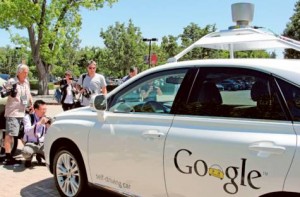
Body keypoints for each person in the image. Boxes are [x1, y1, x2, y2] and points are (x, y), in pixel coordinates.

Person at [2, 64, 33, 165]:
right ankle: (8, 157)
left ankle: (29, 154)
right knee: (10, 134)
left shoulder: (26, 82)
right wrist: (9, 91)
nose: (26, 74)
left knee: (23, 134)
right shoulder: (12, 81)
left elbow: (27, 95)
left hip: (23, 112)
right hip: (13, 112)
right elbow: (3, 92)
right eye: (24, 72)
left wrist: (31, 104)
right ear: (19, 72)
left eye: (27, 72)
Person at [22, 100, 51, 167]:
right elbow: (27, 131)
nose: (44, 111)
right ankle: (28, 159)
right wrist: (40, 123)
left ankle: (39, 155)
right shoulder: (28, 117)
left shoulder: (46, 118)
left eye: (45, 109)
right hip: (31, 143)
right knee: (26, 152)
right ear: (36, 110)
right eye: (43, 109)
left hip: (42, 144)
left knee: (52, 155)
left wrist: (49, 126)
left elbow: (49, 134)